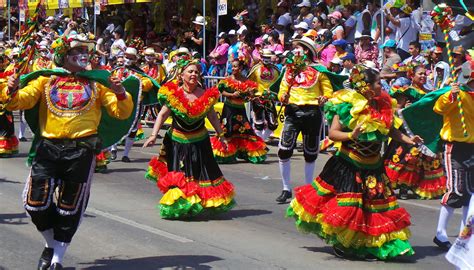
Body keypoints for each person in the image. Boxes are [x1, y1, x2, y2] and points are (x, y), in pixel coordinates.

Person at [1, 34, 134, 269]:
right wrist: (11, 89)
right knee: (34, 202)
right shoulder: (46, 81)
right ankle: (50, 243)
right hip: (48, 148)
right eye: (75, 52)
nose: (82, 55)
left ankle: (57, 259)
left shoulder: (97, 83)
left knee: (69, 206)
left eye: (84, 51)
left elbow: (120, 112)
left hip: (81, 150)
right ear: (63, 57)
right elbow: (19, 101)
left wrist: (120, 91)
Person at [287, 65, 420, 260]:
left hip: (374, 166)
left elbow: (391, 130)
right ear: (366, 86)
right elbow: (333, 133)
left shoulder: (384, 103)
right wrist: (352, 134)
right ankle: (345, 243)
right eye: (377, 82)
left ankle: (370, 244)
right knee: (351, 208)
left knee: (373, 208)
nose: (381, 85)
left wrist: (409, 139)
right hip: (349, 165)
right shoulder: (347, 103)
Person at [143, 57, 235, 219]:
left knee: (201, 172)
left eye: (196, 72)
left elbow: (212, 117)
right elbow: (163, 115)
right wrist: (153, 135)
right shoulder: (173, 94)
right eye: (190, 71)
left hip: (200, 141)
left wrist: (222, 136)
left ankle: (197, 202)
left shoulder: (206, 94)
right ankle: (180, 204)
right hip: (177, 142)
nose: (194, 74)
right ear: (182, 74)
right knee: (180, 173)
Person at [276, 37, 339, 203]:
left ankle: (308, 190)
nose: (295, 50)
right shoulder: (289, 70)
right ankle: (286, 189)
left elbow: (328, 92)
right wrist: (283, 97)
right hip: (293, 112)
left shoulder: (319, 71)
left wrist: (324, 99)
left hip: (312, 113)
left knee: (310, 153)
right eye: (295, 47)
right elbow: (281, 91)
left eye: (299, 47)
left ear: (307, 51)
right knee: (284, 150)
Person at [384, 64, 446, 200]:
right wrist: (407, 109)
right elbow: (396, 109)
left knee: (424, 160)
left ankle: (417, 186)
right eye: (420, 74)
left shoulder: (429, 93)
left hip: (423, 131)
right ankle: (403, 187)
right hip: (408, 131)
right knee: (408, 158)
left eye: (425, 74)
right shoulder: (407, 92)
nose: (423, 76)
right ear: (412, 75)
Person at [210, 59, 267, 164]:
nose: (233, 69)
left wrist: (250, 96)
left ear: (240, 68)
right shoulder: (227, 80)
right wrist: (232, 95)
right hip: (229, 109)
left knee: (245, 130)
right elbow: (221, 91)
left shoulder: (247, 82)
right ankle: (226, 153)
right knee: (227, 130)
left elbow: (251, 96)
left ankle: (245, 152)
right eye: (232, 66)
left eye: (235, 66)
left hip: (240, 110)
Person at [110, 47, 156, 162]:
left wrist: (138, 83)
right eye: (126, 57)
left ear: (135, 59)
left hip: (135, 103)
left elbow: (148, 83)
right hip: (118, 102)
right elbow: (110, 81)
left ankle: (125, 154)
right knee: (115, 124)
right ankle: (113, 149)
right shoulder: (117, 70)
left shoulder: (139, 72)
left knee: (133, 128)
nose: (128, 60)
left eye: (131, 58)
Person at [248, 49, 280, 141]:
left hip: (270, 98)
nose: (266, 59)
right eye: (265, 57)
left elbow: (280, 83)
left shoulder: (276, 70)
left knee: (273, 123)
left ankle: (262, 139)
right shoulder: (255, 69)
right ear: (261, 57)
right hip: (258, 98)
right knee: (259, 122)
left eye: (268, 57)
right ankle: (259, 141)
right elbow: (248, 81)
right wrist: (251, 93)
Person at [0, 52, 18, 157]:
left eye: (0, 61)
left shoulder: (7, 74)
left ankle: (5, 149)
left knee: (6, 127)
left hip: (5, 105)